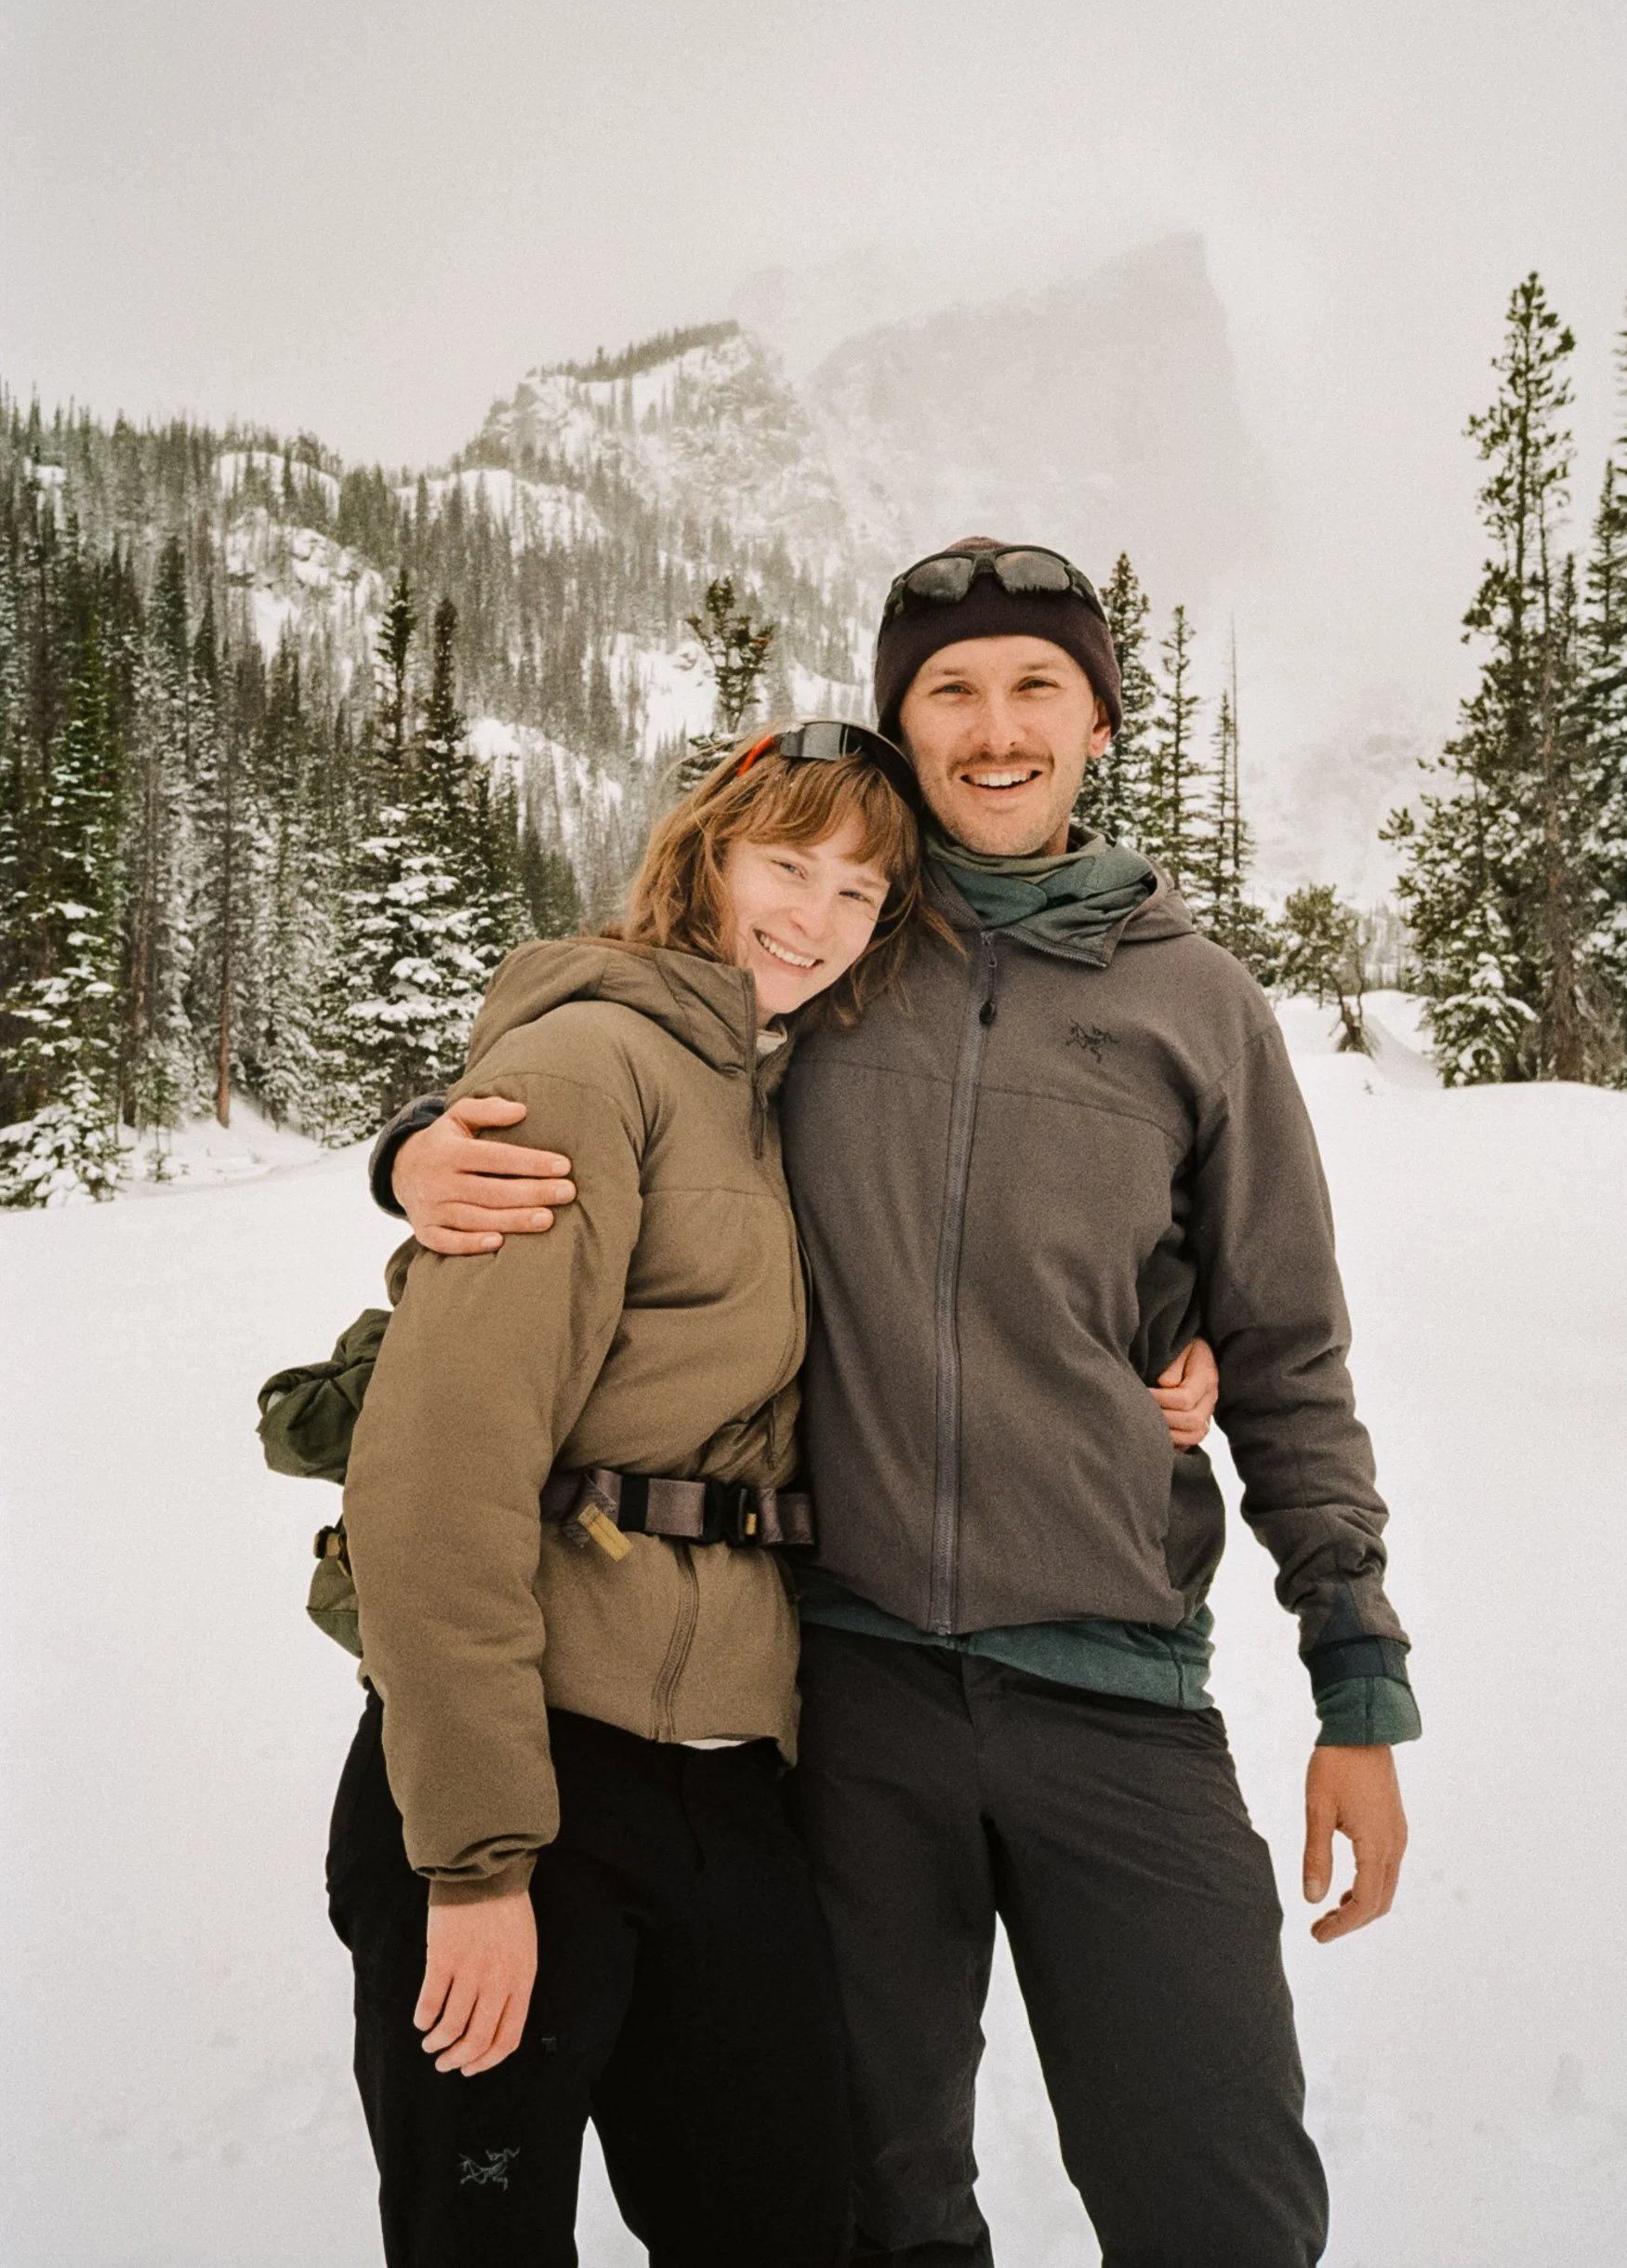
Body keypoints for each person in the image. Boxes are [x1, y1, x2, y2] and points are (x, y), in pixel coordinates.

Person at [376, 541, 1419, 2268]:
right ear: (901, 721)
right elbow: (626, 1030)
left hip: (1116, 1689)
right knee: (871, 2201)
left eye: (1035, 688)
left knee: (1215, 2198)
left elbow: (1290, 1354)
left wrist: (1358, 1678)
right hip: (844, 1696)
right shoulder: (833, 960)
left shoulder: (1198, 1010)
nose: (992, 728)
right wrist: (414, 1141)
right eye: (949, 688)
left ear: (1097, 722)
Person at [330, 724, 921, 2268]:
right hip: (539, 1782)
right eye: (786, 864)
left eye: (860, 890)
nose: (815, 914)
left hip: (730, 1787)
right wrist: (474, 1862)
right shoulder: (590, 1064)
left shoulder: (782, 1096)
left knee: (782, 2226)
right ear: (705, 855)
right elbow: (436, 1468)